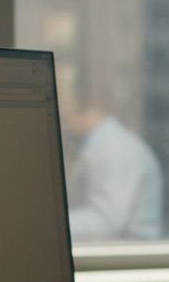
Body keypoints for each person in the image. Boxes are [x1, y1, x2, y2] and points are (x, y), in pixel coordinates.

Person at [63, 94, 163, 242]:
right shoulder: (104, 144)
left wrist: (50, 226)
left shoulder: (114, 148)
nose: (63, 119)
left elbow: (107, 221)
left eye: (65, 111)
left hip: (126, 255)